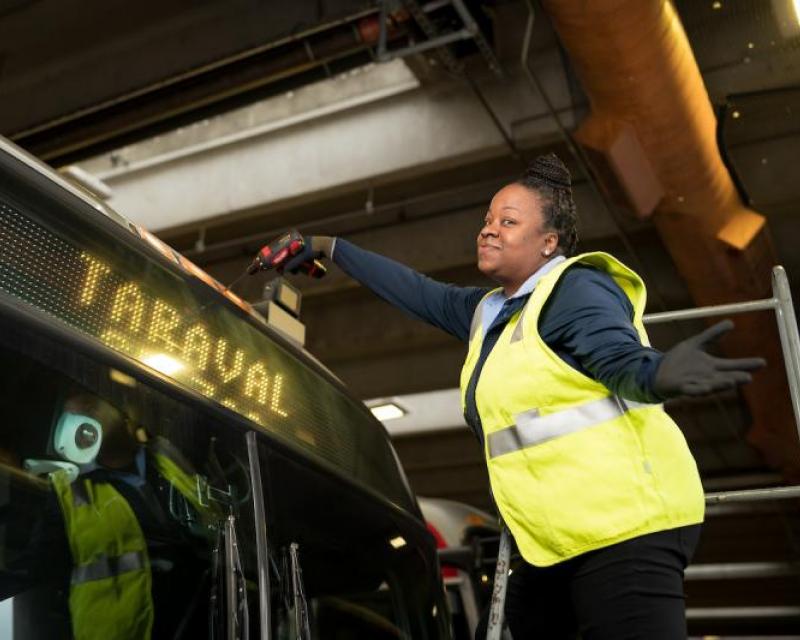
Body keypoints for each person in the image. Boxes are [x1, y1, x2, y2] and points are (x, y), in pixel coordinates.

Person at [278, 153, 765, 639]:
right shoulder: (490, 312)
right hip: (556, 539)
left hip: (627, 527)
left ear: (548, 242)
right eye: (487, 220)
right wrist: (330, 247)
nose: (488, 230)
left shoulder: (575, 289)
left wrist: (655, 374)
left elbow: (615, 356)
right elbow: (416, 291)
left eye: (508, 222)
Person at [17, 391, 222, 640]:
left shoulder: (168, 455)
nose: (80, 419)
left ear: (124, 409)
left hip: (212, 621)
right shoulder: (66, 490)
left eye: (91, 407)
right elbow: (37, 572)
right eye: (70, 416)